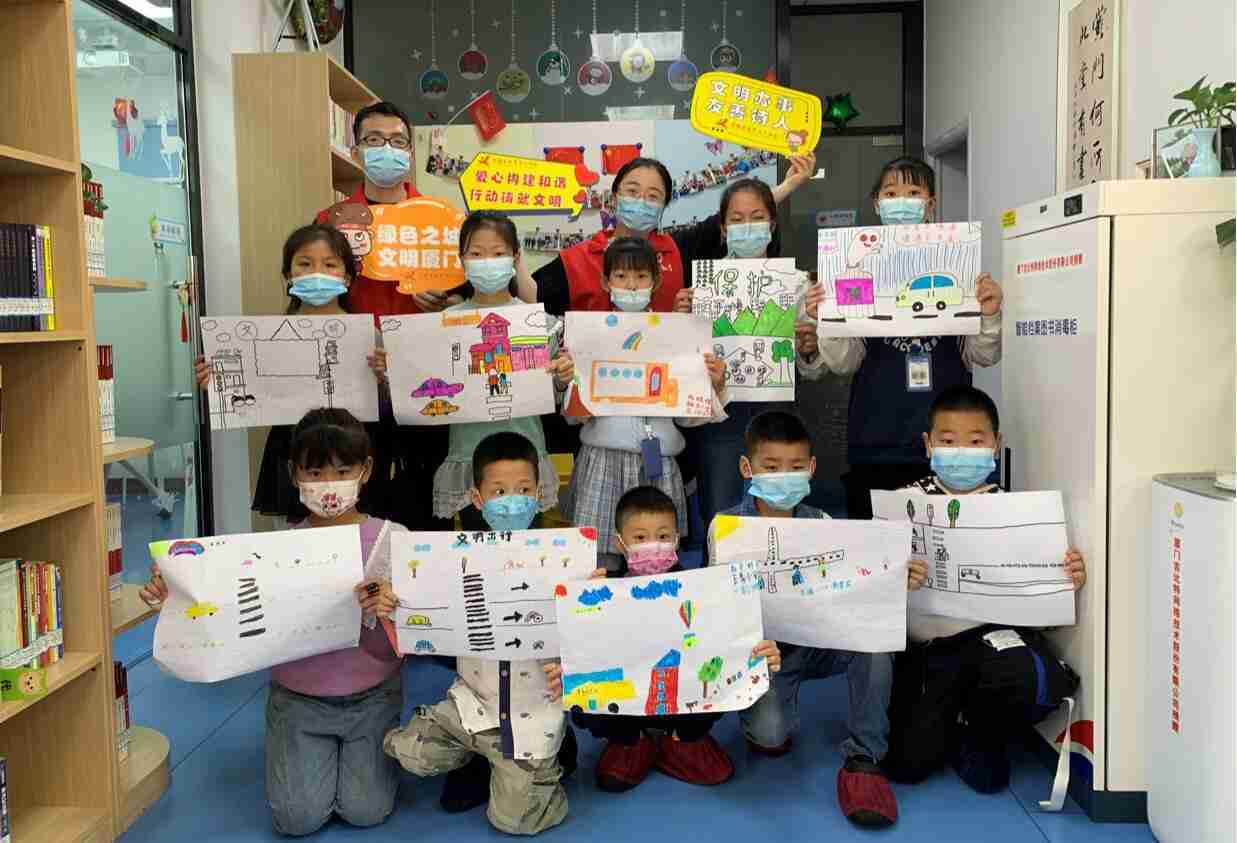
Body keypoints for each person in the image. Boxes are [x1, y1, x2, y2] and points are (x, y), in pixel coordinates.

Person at [140, 408, 407, 836]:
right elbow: (219, 606)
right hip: (299, 699)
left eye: (342, 471)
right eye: (315, 473)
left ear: (366, 470)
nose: (328, 485)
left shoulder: (392, 538)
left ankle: (359, 761)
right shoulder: (275, 547)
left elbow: (420, 627)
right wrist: (172, 593)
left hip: (372, 697)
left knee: (366, 811)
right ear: (294, 473)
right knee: (297, 819)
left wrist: (391, 607)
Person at [383, 432, 603, 836]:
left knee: (515, 821)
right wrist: (396, 602)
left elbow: (589, 637)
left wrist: (594, 601)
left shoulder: (567, 559)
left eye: (524, 490)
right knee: (407, 750)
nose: (512, 501)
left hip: (532, 712)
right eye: (499, 491)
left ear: (539, 493)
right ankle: (480, 757)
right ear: (477, 497)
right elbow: (423, 617)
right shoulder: (452, 558)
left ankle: (548, 761)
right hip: (473, 703)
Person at [708, 410, 915, 829]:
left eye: (796, 466)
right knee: (771, 737)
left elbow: (852, 592)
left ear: (812, 468)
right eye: (771, 467)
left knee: (875, 639)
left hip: (820, 644)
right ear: (747, 468)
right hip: (766, 656)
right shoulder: (726, 528)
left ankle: (864, 757)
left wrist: (895, 578)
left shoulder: (822, 523)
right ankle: (766, 713)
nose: (784, 477)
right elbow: (716, 613)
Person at [881, 385, 1086, 794]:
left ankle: (978, 729)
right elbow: (870, 593)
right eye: (947, 441)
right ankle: (948, 718)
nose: (961, 452)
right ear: (928, 444)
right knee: (906, 765)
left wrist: (1065, 580)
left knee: (1030, 680)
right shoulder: (900, 505)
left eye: (975, 442)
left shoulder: (1019, 512)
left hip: (991, 642)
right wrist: (893, 579)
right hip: (927, 649)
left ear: (996, 444)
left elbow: (1041, 605)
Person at [798, 156, 1005, 519]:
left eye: (913, 192)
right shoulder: (856, 266)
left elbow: (984, 355)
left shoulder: (956, 265)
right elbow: (844, 362)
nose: (902, 201)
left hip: (947, 448)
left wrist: (988, 314)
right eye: (891, 193)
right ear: (877, 204)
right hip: (875, 442)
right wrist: (827, 320)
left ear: (930, 203)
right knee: (877, 546)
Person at [573, 485, 781, 793]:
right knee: (587, 683)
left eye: (663, 536)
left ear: (676, 540)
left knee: (713, 667)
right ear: (620, 543)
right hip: (626, 705)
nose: (653, 545)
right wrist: (582, 605)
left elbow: (728, 644)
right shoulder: (604, 590)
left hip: (684, 704)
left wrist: (756, 650)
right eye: (640, 538)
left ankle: (680, 738)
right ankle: (632, 741)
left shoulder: (701, 588)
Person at [314, 101, 455, 531]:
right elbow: (315, 297)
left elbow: (469, 295)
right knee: (357, 496)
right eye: (375, 141)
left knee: (424, 501)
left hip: (424, 379)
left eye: (397, 141)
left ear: (410, 152)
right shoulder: (332, 221)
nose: (387, 150)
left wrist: (447, 300)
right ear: (357, 151)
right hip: (355, 378)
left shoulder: (440, 219)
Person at [192, 224, 388, 528]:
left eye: (330, 265)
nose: (317, 273)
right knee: (295, 539)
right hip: (296, 448)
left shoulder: (369, 336)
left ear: (348, 277)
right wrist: (217, 383)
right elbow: (247, 395)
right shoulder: (262, 337)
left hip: (351, 452)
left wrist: (385, 378)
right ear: (288, 274)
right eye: (305, 264)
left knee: (356, 536)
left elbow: (388, 406)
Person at [560, 237, 730, 572]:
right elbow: (574, 417)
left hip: (657, 464)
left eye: (640, 276)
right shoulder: (585, 336)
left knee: (657, 559)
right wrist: (568, 381)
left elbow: (688, 417)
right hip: (603, 461)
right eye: (621, 276)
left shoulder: (678, 335)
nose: (631, 285)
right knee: (601, 562)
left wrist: (714, 383)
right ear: (605, 282)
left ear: (656, 280)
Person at [673, 177, 825, 551]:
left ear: (772, 225)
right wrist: (682, 320)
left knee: (781, 519)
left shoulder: (797, 284)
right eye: (737, 219)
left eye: (757, 217)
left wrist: (809, 348)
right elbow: (686, 363)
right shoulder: (702, 286)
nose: (747, 226)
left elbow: (813, 368)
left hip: (777, 414)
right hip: (720, 417)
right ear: (723, 229)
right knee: (722, 521)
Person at [421, 212, 573, 536]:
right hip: (470, 455)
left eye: (498, 252)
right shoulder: (445, 322)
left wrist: (562, 377)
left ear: (515, 257)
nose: (487, 261)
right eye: (476, 253)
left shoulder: (537, 323)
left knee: (528, 550)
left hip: (525, 454)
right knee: (476, 548)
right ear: (462, 259)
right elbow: (429, 390)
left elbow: (556, 395)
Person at [526, 152, 817, 318]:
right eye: (632, 191)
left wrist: (788, 185)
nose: (642, 201)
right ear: (614, 197)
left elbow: (736, 217)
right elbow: (531, 301)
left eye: (653, 196)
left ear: (664, 206)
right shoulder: (576, 260)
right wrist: (509, 257)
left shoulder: (677, 250)